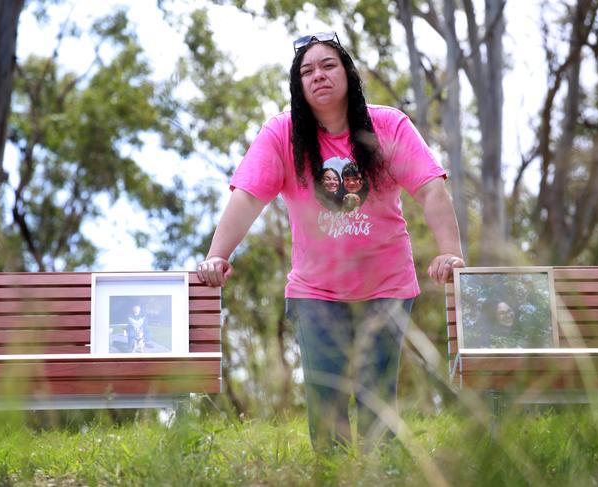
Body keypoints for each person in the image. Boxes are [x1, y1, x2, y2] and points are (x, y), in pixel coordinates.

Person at [196, 31, 464, 452]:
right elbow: (247, 197)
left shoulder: (388, 124)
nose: (318, 75)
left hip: (386, 288)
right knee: (328, 407)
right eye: (307, 71)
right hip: (316, 293)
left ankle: (383, 479)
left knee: (378, 404)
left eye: (328, 65)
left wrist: (451, 252)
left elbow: (431, 188)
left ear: (348, 73)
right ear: (297, 85)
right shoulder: (282, 134)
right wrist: (217, 256)